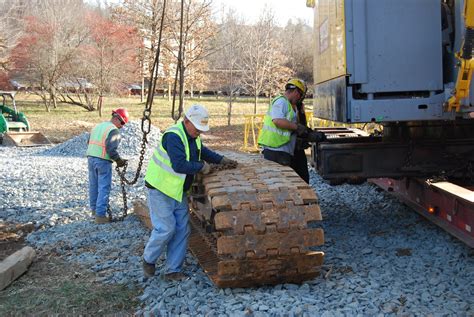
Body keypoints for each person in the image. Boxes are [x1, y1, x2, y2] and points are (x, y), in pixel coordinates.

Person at [142, 104, 237, 281]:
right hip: (161, 189)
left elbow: (203, 152)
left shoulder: (193, 136)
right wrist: (202, 167)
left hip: (177, 191)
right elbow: (179, 165)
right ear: (186, 121)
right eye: (197, 128)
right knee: (166, 229)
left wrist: (221, 160)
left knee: (182, 230)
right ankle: (148, 259)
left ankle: (172, 270)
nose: (199, 132)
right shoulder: (174, 136)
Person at [86, 108, 129, 224]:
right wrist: (119, 160)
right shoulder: (114, 131)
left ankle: (94, 211)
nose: (122, 127)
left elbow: (88, 141)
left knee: (93, 185)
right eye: (122, 123)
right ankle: (100, 216)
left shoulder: (98, 126)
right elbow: (111, 148)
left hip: (91, 158)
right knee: (104, 187)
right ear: (118, 120)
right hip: (103, 160)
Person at [258, 78, 310, 169]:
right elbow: (277, 120)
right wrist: (297, 127)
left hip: (281, 149)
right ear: (296, 92)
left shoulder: (290, 106)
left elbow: (290, 125)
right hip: (275, 149)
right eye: (300, 96)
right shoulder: (281, 101)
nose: (299, 99)